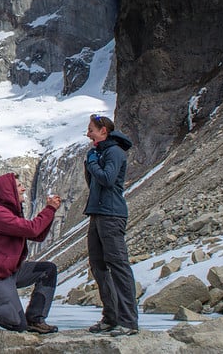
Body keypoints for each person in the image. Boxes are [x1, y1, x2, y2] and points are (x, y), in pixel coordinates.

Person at [0, 172, 62, 334]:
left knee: (47, 270)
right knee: (16, 324)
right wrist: (50, 209)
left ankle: (35, 319)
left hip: (10, 272)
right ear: (8, 191)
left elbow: (37, 235)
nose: (23, 188)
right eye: (19, 186)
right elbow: (32, 229)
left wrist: (50, 212)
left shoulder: (10, 213)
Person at [84, 114, 139, 337]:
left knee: (118, 266)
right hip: (98, 214)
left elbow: (107, 179)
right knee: (98, 265)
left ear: (103, 131)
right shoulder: (99, 152)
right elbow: (93, 182)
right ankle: (111, 317)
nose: (88, 134)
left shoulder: (114, 152)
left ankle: (128, 322)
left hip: (111, 214)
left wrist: (93, 162)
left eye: (91, 130)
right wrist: (91, 162)